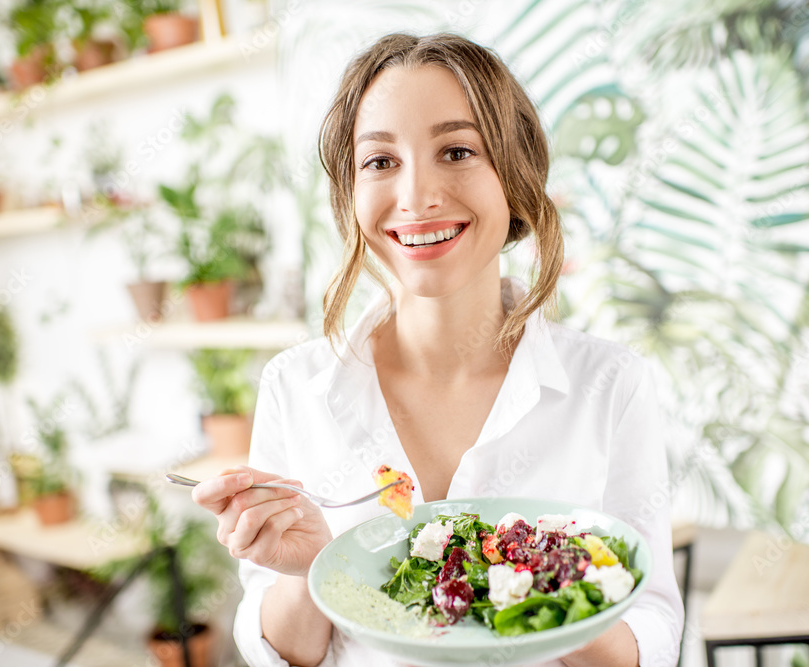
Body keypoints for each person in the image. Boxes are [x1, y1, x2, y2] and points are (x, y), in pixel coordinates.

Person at [192, 32, 684, 667]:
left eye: (456, 151)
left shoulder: (611, 384)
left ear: (517, 176)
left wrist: (549, 583)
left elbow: (650, 628)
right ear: (349, 192)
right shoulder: (295, 386)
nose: (417, 196)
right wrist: (314, 570)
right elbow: (286, 652)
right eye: (379, 161)